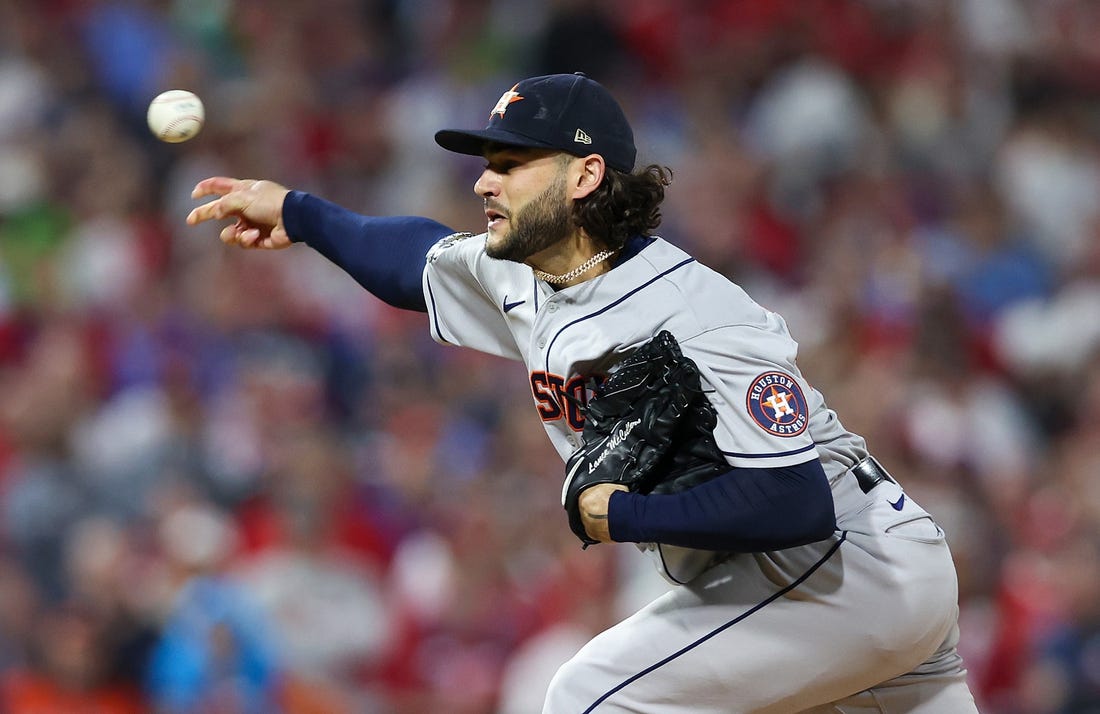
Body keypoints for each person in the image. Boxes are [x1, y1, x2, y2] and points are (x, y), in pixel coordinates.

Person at [187, 72, 979, 713]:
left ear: (585, 175)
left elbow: (794, 500)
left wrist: (622, 514)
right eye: (486, 164)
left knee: (588, 697)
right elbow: (415, 260)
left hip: (843, 564)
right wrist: (299, 211)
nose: (485, 184)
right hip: (843, 589)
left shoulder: (698, 313)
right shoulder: (528, 272)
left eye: (510, 165)